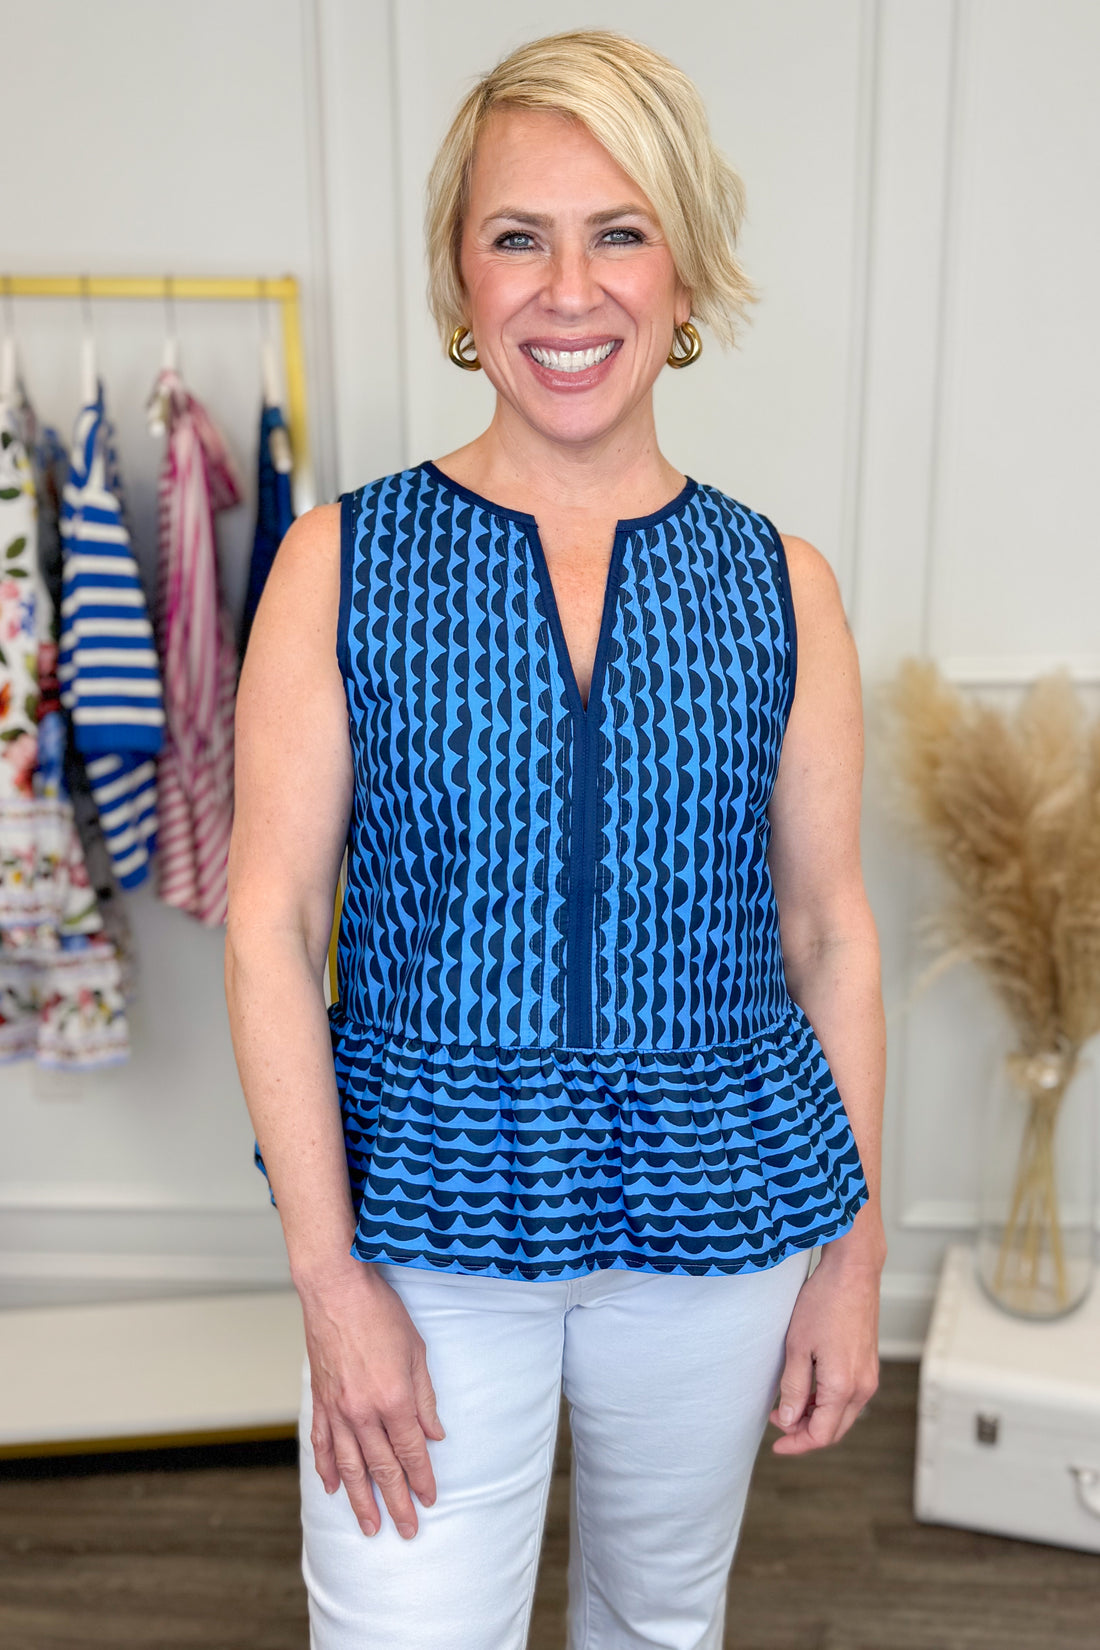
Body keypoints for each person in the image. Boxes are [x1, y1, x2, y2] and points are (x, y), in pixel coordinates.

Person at [225, 27, 887, 1650]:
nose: (567, 290)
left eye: (619, 231)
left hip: (714, 1212)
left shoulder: (780, 583)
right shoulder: (339, 562)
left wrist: (851, 1262)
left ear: (685, 267)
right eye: (518, 236)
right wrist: (330, 1281)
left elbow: (832, 937)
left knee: (658, 1621)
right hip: (421, 1215)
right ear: (461, 277)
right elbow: (266, 920)